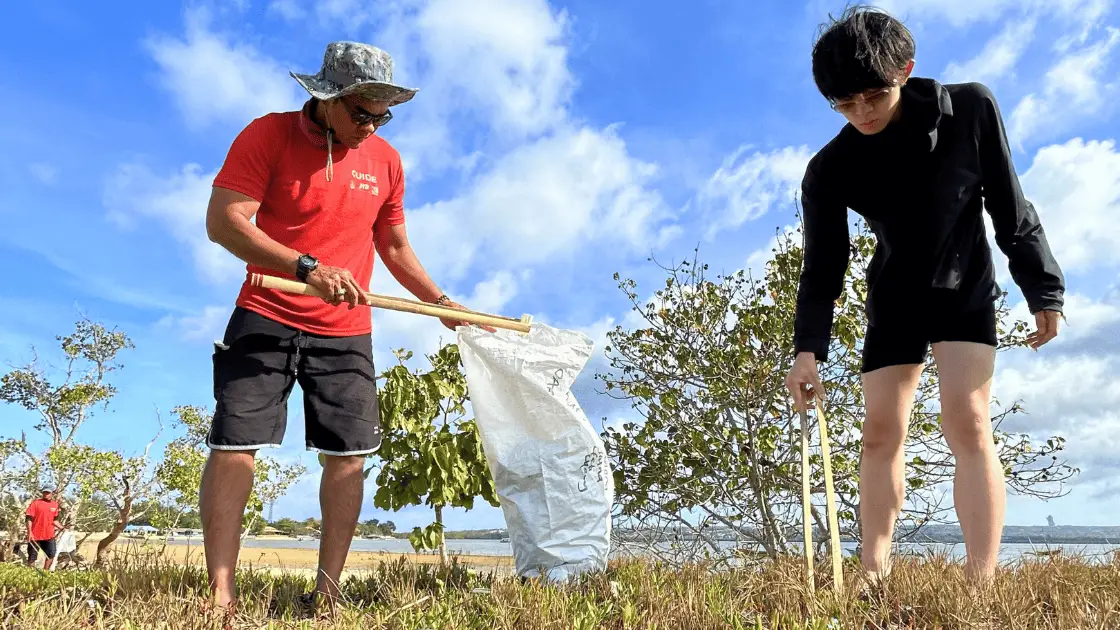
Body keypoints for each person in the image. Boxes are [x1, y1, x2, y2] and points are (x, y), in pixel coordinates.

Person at [201, 41, 492, 609]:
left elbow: (394, 244)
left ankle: (328, 595)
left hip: (346, 329)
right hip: (266, 312)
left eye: (384, 115)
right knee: (236, 447)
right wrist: (306, 268)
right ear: (326, 97)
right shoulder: (268, 135)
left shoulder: (385, 160)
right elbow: (224, 222)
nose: (372, 126)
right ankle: (220, 597)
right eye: (362, 112)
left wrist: (444, 304)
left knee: (349, 458)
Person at [784, 7, 1065, 585]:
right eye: (843, 103)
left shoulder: (969, 109)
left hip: (963, 284)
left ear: (905, 70)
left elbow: (1010, 207)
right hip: (894, 294)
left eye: (871, 95)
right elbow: (824, 265)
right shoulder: (828, 168)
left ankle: (980, 581)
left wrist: (1043, 290)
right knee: (881, 430)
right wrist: (807, 349)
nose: (860, 112)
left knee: (967, 419)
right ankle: (872, 569)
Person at [25, 489, 62, 570]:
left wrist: (62, 528)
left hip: (49, 535)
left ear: (52, 493)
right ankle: (30, 574)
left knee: (51, 554)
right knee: (32, 557)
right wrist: (29, 532)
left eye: (48, 492)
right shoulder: (36, 503)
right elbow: (28, 518)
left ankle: (45, 572)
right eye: (44, 492)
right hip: (35, 535)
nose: (46, 494)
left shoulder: (55, 505)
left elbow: (55, 520)